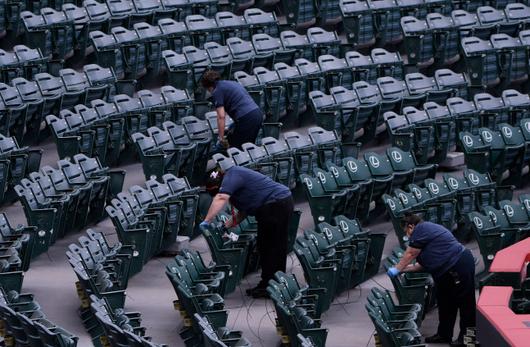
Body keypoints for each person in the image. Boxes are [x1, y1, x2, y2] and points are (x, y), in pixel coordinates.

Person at [199, 165, 294, 298]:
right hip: (274, 205)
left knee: (272, 247)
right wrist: (225, 226)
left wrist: (207, 221)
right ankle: (269, 283)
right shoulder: (235, 183)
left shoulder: (232, 175)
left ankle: (273, 285)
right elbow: (243, 212)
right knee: (266, 245)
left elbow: (221, 197)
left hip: (275, 204)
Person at [387, 214, 476, 347]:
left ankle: (469, 340)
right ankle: (444, 335)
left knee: (466, 305)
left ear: (411, 226)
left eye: (406, 231)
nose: (407, 235)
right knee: (445, 302)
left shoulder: (421, 229)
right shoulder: (425, 233)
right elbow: (422, 265)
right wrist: (403, 270)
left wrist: (398, 268)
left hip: (459, 265)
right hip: (446, 271)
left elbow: (411, 254)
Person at [201, 70, 264, 150]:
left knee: (236, 150)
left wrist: (220, 138)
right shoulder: (231, 83)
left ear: (208, 86)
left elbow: (221, 116)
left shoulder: (217, 91)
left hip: (247, 118)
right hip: (257, 113)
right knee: (247, 147)